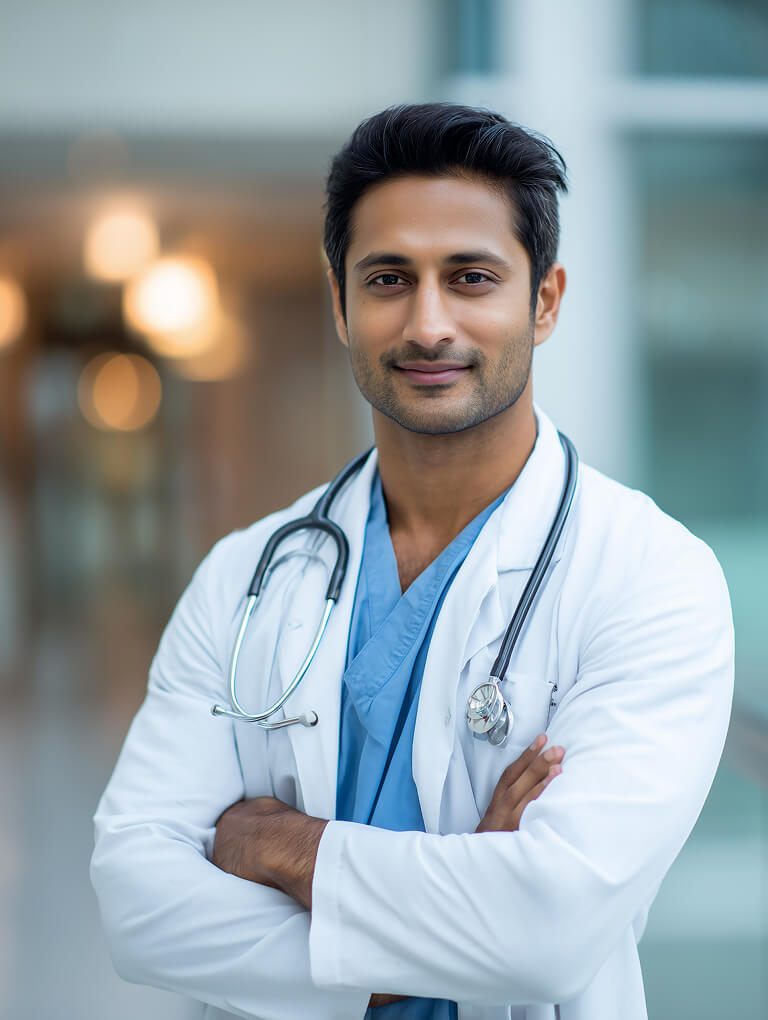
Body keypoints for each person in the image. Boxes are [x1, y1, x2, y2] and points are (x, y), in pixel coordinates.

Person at [90, 103, 734, 1020]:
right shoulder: (244, 576)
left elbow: (549, 932)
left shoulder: (651, 578)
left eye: (471, 278)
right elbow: (138, 906)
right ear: (341, 304)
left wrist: (285, 847)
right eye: (389, 279)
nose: (429, 325)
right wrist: (468, 900)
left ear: (544, 302)